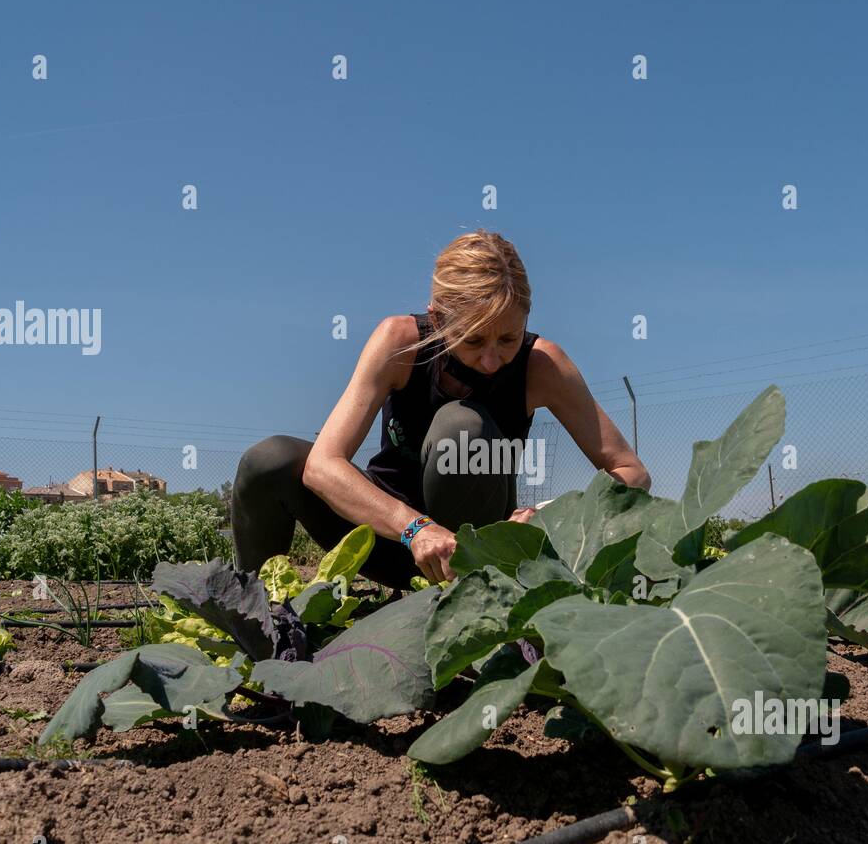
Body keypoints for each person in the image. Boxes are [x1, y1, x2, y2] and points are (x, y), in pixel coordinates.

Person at [232, 229, 650, 588]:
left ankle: (462, 600)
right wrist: (416, 528)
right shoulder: (399, 342)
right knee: (269, 460)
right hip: (392, 538)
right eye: (471, 340)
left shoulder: (543, 365)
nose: (491, 360)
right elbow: (323, 466)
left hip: (479, 553)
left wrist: (548, 515)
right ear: (437, 318)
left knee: (460, 427)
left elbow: (632, 474)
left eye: (507, 339)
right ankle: (254, 616)